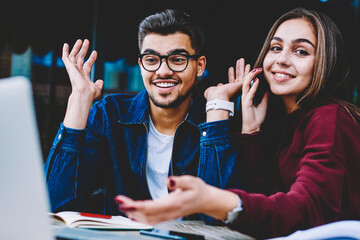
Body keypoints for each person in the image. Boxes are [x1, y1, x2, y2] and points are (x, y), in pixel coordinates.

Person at [114, 8, 360, 238]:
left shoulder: (332, 118)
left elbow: (305, 209)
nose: (282, 60)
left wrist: (213, 200)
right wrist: (250, 132)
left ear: (326, 61)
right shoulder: (282, 121)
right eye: (275, 48)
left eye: (301, 51)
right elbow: (265, 203)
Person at [44, 9, 242, 218]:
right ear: (141, 65)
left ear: (199, 66)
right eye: (151, 59)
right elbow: (54, 203)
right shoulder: (110, 116)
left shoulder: (216, 124)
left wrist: (217, 108)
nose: (163, 71)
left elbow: (218, 217)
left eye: (177, 59)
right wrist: (79, 100)